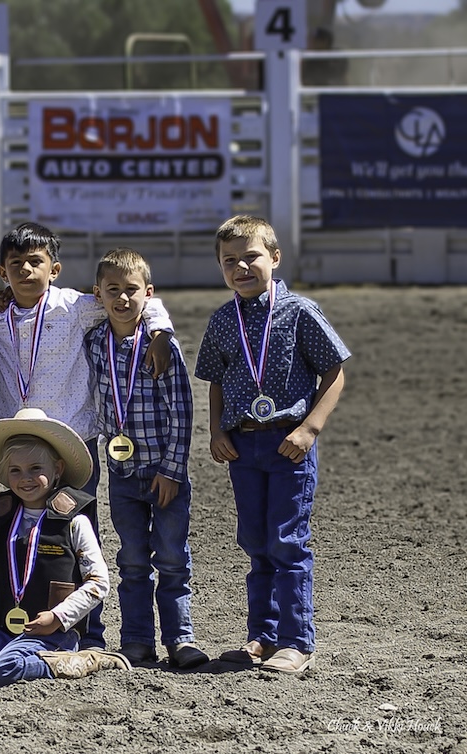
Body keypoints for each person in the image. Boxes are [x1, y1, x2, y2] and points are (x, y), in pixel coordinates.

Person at [0, 221, 175, 650]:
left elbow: (134, 297)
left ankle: (88, 634)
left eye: (35, 262)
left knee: (79, 537)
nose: (26, 270)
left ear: (55, 268)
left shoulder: (78, 306)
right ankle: (14, 622)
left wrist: (160, 331)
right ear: (2, 272)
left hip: (75, 444)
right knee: (19, 537)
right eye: (16, 264)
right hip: (20, 448)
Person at [195, 215, 350, 676]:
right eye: (230, 261)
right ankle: (261, 636)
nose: (241, 267)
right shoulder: (223, 319)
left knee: (287, 541)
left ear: (275, 258)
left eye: (251, 257)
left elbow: (334, 372)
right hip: (243, 448)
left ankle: (297, 641)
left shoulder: (300, 310)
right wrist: (217, 431)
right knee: (256, 542)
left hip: (289, 447)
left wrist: (309, 429)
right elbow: (217, 380)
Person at [0, 408, 132, 687]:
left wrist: (58, 617)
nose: (25, 478)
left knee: (5, 669)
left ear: (57, 469)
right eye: (15, 470)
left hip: (53, 633)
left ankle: (84, 658)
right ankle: (9, 661)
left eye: (35, 469)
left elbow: (99, 582)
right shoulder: (1, 517)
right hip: (2, 630)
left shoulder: (75, 522)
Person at [83, 248, 208, 670]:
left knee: (172, 558)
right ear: (97, 294)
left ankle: (180, 639)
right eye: (112, 290)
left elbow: (183, 411)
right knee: (132, 561)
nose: (121, 299)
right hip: (121, 474)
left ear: (148, 294)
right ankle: (136, 639)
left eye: (131, 290)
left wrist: (173, 470)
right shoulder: (93, 342)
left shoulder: (161, 347)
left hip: (163, 472)